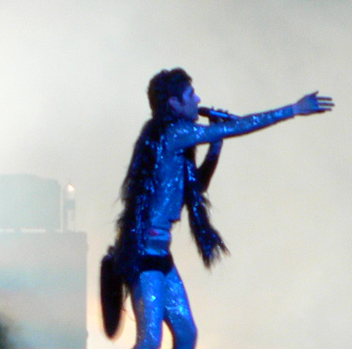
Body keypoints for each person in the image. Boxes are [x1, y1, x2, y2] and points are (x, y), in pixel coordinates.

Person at [100, 68, 334, 349]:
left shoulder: (178, 140)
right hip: (144, 256)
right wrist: (294, 109)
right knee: (150, 340)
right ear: (173, 103)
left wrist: (215, 145)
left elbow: (195, 188)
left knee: (187, 335)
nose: (198, 100)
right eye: (190, 95)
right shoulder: (174, 134)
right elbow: (240, 127)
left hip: (161, 255)